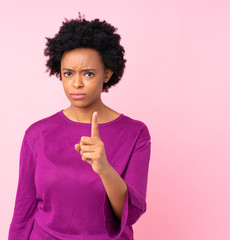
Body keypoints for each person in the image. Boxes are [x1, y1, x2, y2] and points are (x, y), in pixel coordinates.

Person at [8, 14, 151, 240]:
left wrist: (104, 168)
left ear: (107, 74)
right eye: (68, 73)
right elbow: (23, 212)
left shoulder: (135, 133)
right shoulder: (36, 134)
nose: (76, 83)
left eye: (88, 73)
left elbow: (131, 214)